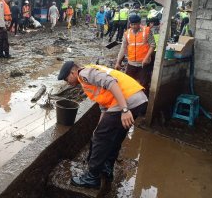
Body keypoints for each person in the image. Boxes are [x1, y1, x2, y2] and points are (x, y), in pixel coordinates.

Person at [57, 61, 148, 189]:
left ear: (73, 72)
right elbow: (104, 107)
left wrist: (124, 110)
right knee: (114, 137)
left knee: (101, 138)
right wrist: (98, 129)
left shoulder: (84, 73)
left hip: (127, 101)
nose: (68, 82)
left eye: (67, 78)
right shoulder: (88, 78)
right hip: (138, 99)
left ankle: (92, 177)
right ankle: (107, 169)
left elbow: (111, 83)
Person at [115, 15, 155, 96]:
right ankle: (131, 100)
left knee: (143, 85)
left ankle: (144, 102)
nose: (133, 26)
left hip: (144, 64)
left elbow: (153, 45)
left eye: (135, 24)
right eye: (132, 24)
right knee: (128, 83)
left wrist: (146, 58)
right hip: (131, 63)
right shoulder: (127, 33)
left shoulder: (146, 31)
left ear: (139, 23)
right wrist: (118, 62)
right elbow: (123, 48)